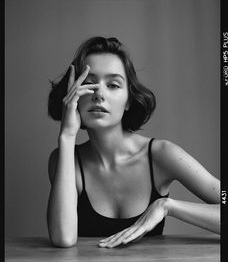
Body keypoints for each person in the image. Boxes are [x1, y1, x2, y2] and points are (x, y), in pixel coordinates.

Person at [47, 36, 220, 248]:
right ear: (73, 95)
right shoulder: (64, 159)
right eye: (88, 83)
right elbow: (63, 238)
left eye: (113, 85)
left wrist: (168, 206)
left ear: (129, 100)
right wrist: (66, 135)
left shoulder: (161, 154)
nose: (99, 94)